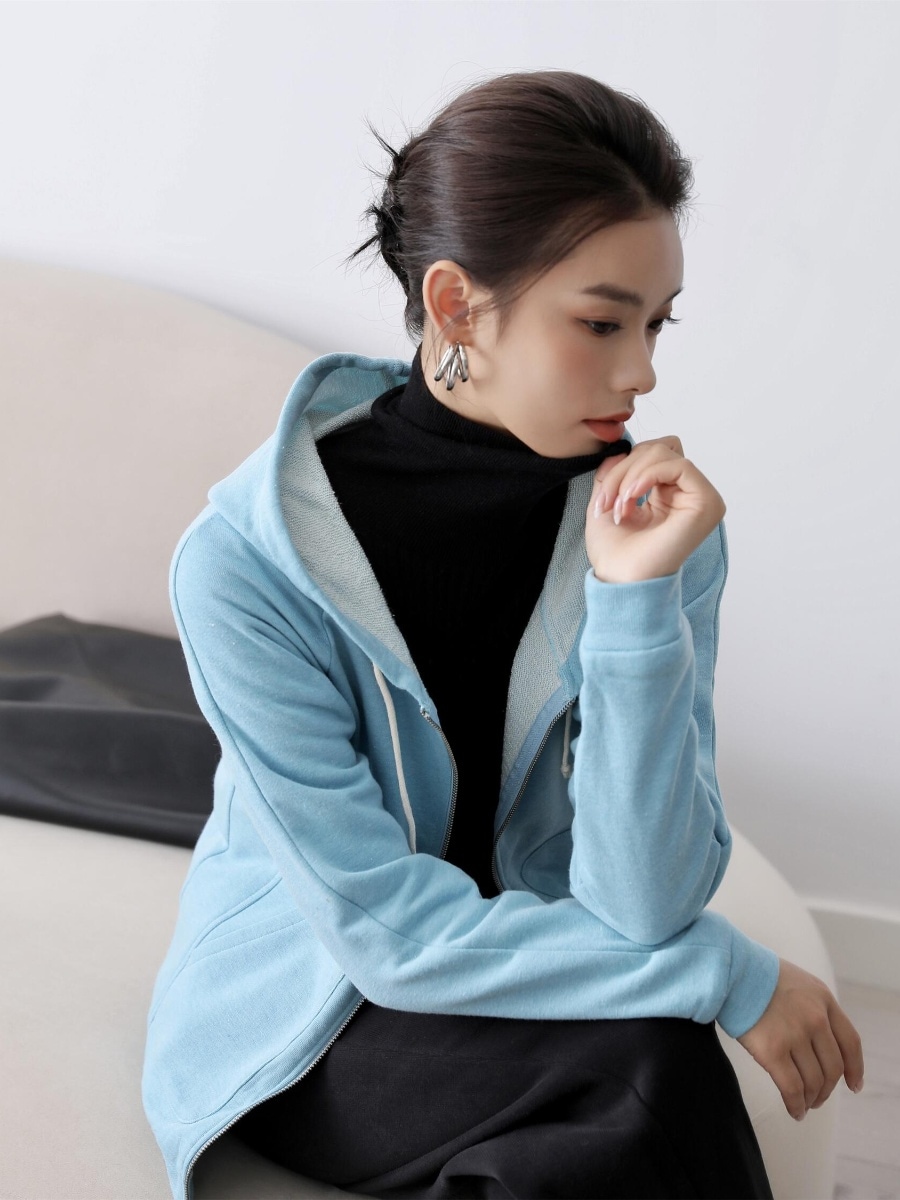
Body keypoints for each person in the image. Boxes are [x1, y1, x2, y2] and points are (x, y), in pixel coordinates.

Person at [142, 70, 864, 1200]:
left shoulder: (655, 531)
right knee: (642, 1082)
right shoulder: (245, 565)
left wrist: (633, 605)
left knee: (632, 1096)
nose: (642, 372)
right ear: (455, 306)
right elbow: (381, 931)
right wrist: (722, 970)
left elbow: (644, 903)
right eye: (601, 322)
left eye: (656, 324)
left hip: (542, 968)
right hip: (320, 1013)